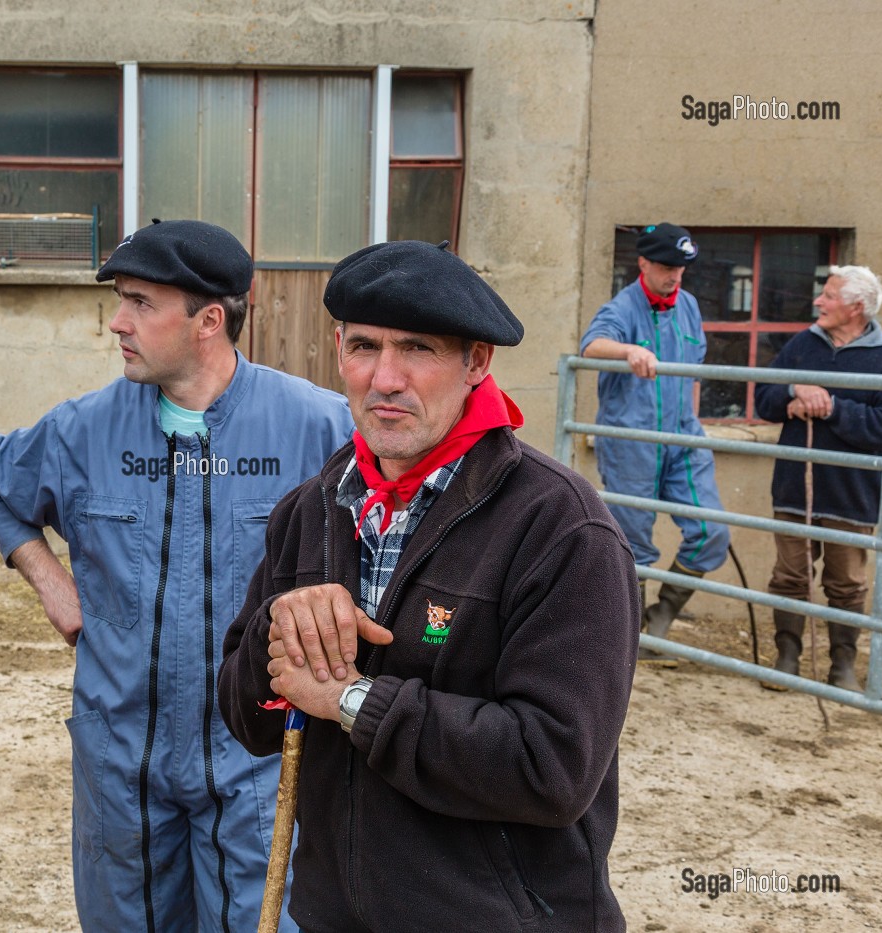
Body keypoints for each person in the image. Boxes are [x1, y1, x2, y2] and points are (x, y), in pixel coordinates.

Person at [219, 240, 639, 932]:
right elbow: (250, 720)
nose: (384, 378)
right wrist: (276, 630)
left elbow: (553, 764)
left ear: (477, 362)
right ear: (338, 350)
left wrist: (352, 698)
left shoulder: (562, 529)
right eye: (363, 347)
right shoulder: (310, 509)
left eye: (417, 349)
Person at [0, 219, 352, 933]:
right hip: (121, 766)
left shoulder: (317, 428)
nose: (119, 322)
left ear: (209, 319)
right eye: (121, 299)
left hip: (258, 764)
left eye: (142, 303)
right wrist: (53, 583)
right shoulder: (82, 430)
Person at [580, 223, 730, 661]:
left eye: (681, 268)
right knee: (634, 543)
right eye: (667, 267)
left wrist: (694, 420)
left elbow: (695, 368)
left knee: (710, 531)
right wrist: (628, 351)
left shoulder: (689, 306)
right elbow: (592, 346)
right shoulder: (623, 306)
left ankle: (664, 611)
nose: (675, 276)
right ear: (643, 263)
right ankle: (636, 634)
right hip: (633, 439)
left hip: (683, 435)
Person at [754, 265, 882, 692]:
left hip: (852, 492)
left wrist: (831, 407)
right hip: (794, 484)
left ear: (856, 308)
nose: (819, 302)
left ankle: (842, 667)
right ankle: (786, 660)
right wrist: (793, 393)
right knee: (789, 576)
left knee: (847, 582)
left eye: (830, 296)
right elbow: (764, 397)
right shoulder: (804, 344)